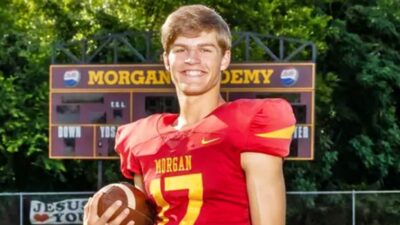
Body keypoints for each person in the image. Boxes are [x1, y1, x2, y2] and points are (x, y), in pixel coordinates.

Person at [84, 4, 296, 225]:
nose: (192, 59)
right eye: (181, 49)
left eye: (205, 49)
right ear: (166, 60)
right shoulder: (142, 140)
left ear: (224, 59)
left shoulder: (248, 124)